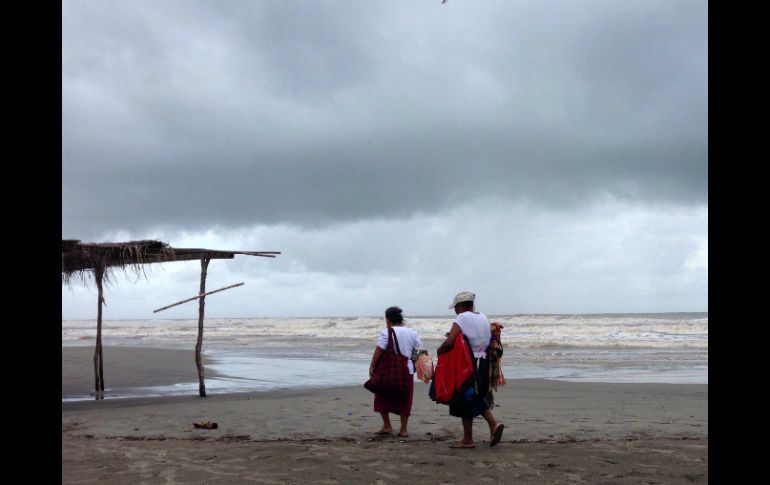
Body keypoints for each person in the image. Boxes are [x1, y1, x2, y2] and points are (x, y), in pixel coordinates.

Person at [436, 291, 504, 449]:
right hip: (484, 362)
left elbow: (450, 341)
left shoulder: (462, 317)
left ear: (460, 306)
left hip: (469, 363)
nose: (455, 310)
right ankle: (473, 435)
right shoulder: (483, 317)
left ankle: (486, 429)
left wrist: (439, 351)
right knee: (474, 396)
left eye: (455, 307)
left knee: (466, 397)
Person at [369, 306, 423, 437]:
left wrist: (372, 366)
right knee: (405, 398)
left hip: (389, 370)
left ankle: (387, 425)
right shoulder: (412, 332)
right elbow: (419, 350)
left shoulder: (386, 332)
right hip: (407, 370)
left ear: (388, 319)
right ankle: (403, 429)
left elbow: (379, 350)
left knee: (382, 395)